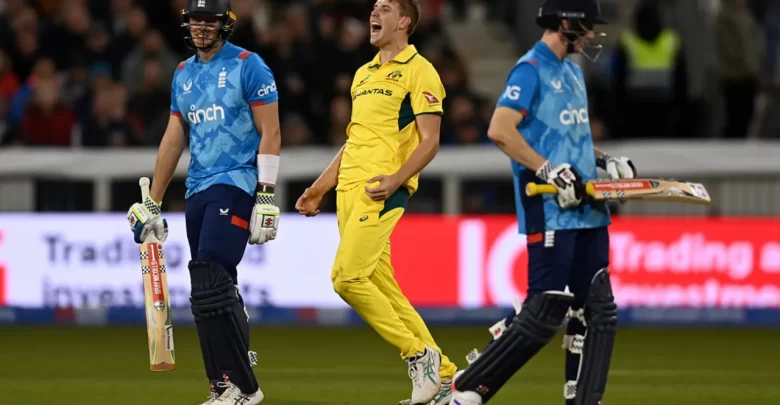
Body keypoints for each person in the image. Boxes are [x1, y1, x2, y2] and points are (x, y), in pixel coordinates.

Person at [449, 1, 637, 404]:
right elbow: (500, 130)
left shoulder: (572, 71)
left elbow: (575, 139)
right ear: (565, 22)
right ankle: (466, 391)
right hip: (550, 204)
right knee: (545, 309)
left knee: (599, 310)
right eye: (585, 26)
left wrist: (607, 160)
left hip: (587, 204)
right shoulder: (529, 70)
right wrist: (548, 169)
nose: (590, 35)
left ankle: (583, 399)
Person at [294, 1, 456, 404]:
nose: (373, 12)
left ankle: (419, 356)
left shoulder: (421, 71)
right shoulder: (363, 73)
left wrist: (397, 179)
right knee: (383, 285)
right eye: (373, 7)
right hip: (348, 191)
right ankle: (449, 377)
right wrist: (320, 188)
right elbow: (355, 140)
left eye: (384, 7)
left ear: (404, 21)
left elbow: (431, 140)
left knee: (346, 277)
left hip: (381, 190)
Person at [126, 0, 281, 404]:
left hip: (237, 183)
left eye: (210, 21)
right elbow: (173, 137)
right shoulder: (183, 73)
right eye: (195, 20)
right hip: (197, 190)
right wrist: (155, 202)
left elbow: (271, 133)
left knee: (210, 273)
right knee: (208, 287)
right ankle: (221, 385)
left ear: (225, 25)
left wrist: (266, 193)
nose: (201, 28)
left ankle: (246, 388)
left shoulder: (249, 65)